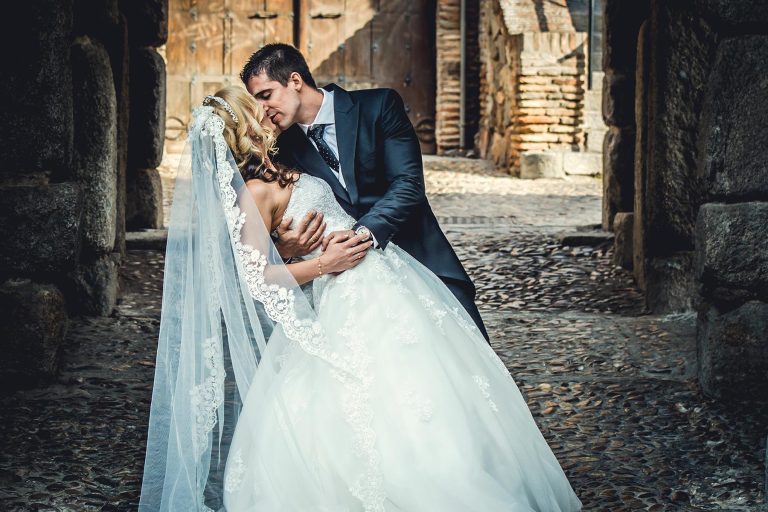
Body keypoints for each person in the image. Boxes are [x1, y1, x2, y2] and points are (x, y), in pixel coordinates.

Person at [138, 87, 582, 512]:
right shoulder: (254, 192)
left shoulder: (285, 158)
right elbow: (257, 277)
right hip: (343, 292)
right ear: (245, 130)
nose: (267, 112)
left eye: (264, 100)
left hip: (385, 279)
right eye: (257, 109)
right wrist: (321, 263)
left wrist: (294, 248)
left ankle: (453, 464)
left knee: (423, 382)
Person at [240, 43, 490, 342]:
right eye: (256, 100)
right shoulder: (278, 146)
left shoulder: (379, 106)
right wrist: (284, 250)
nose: (262, 108)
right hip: (347, 293)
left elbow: (408, 184)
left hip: (420, 258)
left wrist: (362, 234)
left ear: (295, 80)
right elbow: (263, 226)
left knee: (467, 356)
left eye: (266, 95)